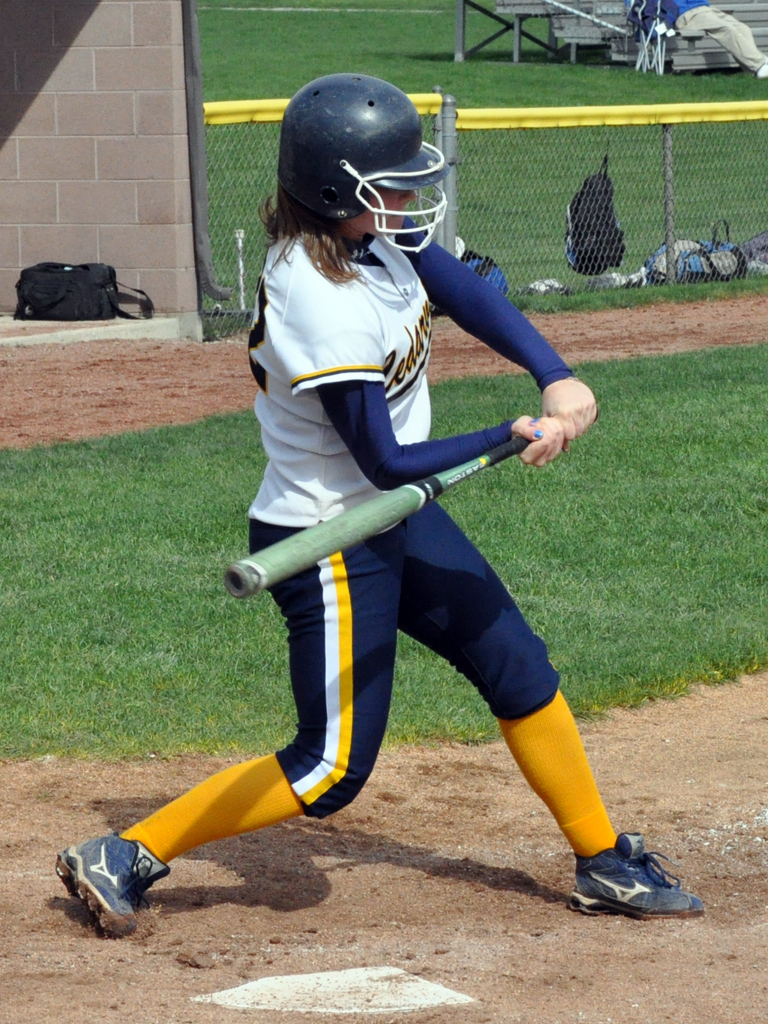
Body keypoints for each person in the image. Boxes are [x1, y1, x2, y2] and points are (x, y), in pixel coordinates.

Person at [56, 73, 703, 938]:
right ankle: (127, 851)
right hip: (330, 533)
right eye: (389, 185)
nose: (408, 199)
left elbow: (462, 288)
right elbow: (383, 455)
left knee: (516, 664)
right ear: (334, 194)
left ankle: (603, 859)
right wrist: (507, 431)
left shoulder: (372, 239)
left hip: (393, 508)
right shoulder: (313, 294)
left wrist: (554, 372)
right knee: (329, 770)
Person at [673, 0, 768, 76]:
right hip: (687, 14)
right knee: (727, 29)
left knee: (743, 28)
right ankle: (760, 65)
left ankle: (754, 69)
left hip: (706, 8)